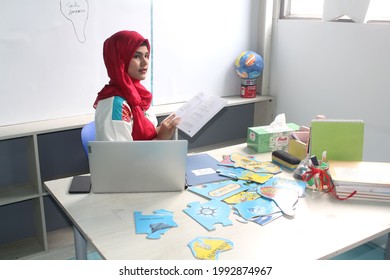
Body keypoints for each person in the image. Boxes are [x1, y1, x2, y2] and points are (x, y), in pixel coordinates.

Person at [93, 30, 180, 141]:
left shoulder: (138, 94)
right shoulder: (116, 106)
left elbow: (141, 137)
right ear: (120, 61)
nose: (145, 62)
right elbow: (122, 156)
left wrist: (164, 129)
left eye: (147, 55)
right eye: (136, 56)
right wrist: (161, 138)